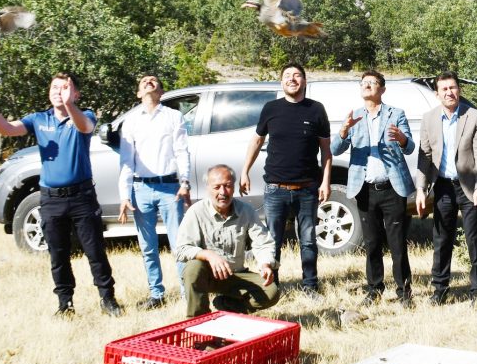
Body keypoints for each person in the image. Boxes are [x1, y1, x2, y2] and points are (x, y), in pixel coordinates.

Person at [0, 73, 123, 317]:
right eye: (54, 87)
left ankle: (107, 299)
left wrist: (69, 105)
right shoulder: (39, 119)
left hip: (81, 197)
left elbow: (85, 127)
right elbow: (8, 130)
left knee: (95, 251)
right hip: (52, 199)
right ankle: (65, 304)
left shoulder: (84, 115)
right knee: (58, 254)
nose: (58, 91)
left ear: (76, 94)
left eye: (65, 88)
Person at [240, 62, 332, 299]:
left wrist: (325, 182)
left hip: (308, 188)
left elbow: (326, 151)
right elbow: (257, 141)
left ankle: (310, 287)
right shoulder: (271, 108)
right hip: (275, 188)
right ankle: (274, 288)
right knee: (272, 242)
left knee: (309, 241)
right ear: (281, 82)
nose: (292, 79)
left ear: (304, 81)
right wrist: (244, 171)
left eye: (297, 75)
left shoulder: (317, 109)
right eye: (287, 76)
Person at [330, 70, 417, 308]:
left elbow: (410, 147)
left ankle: (403, 291)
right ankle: (374, 289)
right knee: (371, 243)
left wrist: (401, 139)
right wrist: (343, 130)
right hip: (364, 189)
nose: (367, 86)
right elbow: (335, 150)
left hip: (392, 188)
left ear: (382, 89)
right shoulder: (354, 117)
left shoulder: (396, 114)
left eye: (372, 83)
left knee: (397, 242)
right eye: (363, 83)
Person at [414, 71, 477, 306]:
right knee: (441, 239)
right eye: (444, 89)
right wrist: (420, 189)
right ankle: (440, 290)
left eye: (453, 88)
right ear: (437, 94)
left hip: (469, 187)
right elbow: (425, 155)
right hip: (444, 187)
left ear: (459, 90)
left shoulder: (475, 116)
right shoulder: (429, 118)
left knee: (475, 240)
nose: (449, 92)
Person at [117, 74, 192, 310]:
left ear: (160, 91)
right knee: (147, 245)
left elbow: (182, 151)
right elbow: (126, 161)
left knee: (178, 243)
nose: (149, 82)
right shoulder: (130, 121)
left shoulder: (173, 116)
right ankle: (156, 294)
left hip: (170, 188)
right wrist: (124, 195)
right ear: (139, 93)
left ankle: (185, 291)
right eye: (143, 81)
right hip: (141, 189)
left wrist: (185, 182)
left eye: (154, 80)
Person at [174, 165, 280, 317]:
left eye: (228, 186)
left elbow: (263, 242)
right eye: (217, 187)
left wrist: (265, 263)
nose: (223, 192)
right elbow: (181, 249)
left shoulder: (246, 211)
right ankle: (198, 321)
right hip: (207, 276)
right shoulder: (195, 212)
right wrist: (208, 255)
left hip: (235, 275)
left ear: (234, 187)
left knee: (271, 292)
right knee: (193, 268)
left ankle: (227, 305)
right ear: (208, 189)